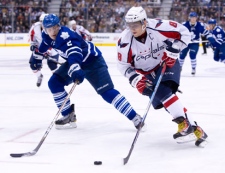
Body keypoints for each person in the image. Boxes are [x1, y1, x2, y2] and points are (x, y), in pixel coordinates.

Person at [116, 6, 208, 147]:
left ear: (144, 22)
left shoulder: (159, 26)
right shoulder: (125, 41)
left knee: (162, 90)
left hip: (167, 62)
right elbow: (123, 65)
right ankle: (196, 129)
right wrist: (135, 80)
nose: (132, 28)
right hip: (146, 73)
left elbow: (184, 33)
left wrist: (174, 50)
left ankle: (185, 126)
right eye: (129, 25)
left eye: (135, 25)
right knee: (165, 100)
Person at [38, 14, 143, 130]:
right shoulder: (46, 35)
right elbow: (44, 45)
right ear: (45, 29)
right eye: (49, 29)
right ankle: (68, 115)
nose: (52, 31)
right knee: (54, 83)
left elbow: (75, 53)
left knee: (107, 92)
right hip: (75, 62)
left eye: (54, 28)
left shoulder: (66, 35)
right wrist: (36, 57)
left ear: (58, 26)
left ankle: (135, 117)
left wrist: (75, 68)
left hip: (93, 61)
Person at [28, 13, 59, 87]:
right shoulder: (35, 26)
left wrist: (48, 51)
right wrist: (33, 44)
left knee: (52, 65)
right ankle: (39, 76)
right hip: (40, 48)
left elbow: (55, 42)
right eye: (42, 22)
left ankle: (57, 80)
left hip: (53, 50)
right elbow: (32, 36)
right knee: (33, 65)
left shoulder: (54, 29)